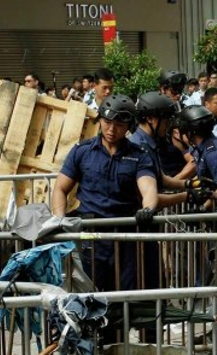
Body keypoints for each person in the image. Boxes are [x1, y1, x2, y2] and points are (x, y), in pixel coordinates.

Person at [51, 94, 158, 293]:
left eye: (118, 124)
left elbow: (149, 188)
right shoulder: (82, 151)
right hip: (90, 235)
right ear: (99, 120)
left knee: (127, 293)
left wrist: (148, 209)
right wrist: (60, 220)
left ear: (129, 127)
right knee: (91, 292)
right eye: (107, 122)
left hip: (125, 235)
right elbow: (60, 188)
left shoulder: (139, 155)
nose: (111, 129)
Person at [130, 91, 192, 200]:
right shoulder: (139, 148)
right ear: (149, 119)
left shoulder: (148, 143)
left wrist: (190, 184)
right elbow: (149, 197)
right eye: (165, 119)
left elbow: (161, 179)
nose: (168, 124)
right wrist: (187, 196)